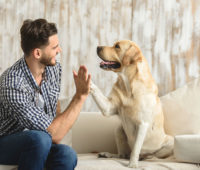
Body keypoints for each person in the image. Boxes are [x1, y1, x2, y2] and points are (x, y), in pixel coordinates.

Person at [0, 18, 91, 170]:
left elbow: (55, 109)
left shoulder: (54, 69)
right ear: (37, 53)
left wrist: (55, 129)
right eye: (55, 47)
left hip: (41, 141)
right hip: (5, 142)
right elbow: (54, 134)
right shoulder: (12, 83)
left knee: (67, 155)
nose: (59, 50)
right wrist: (80, 96)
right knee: (39, 138)